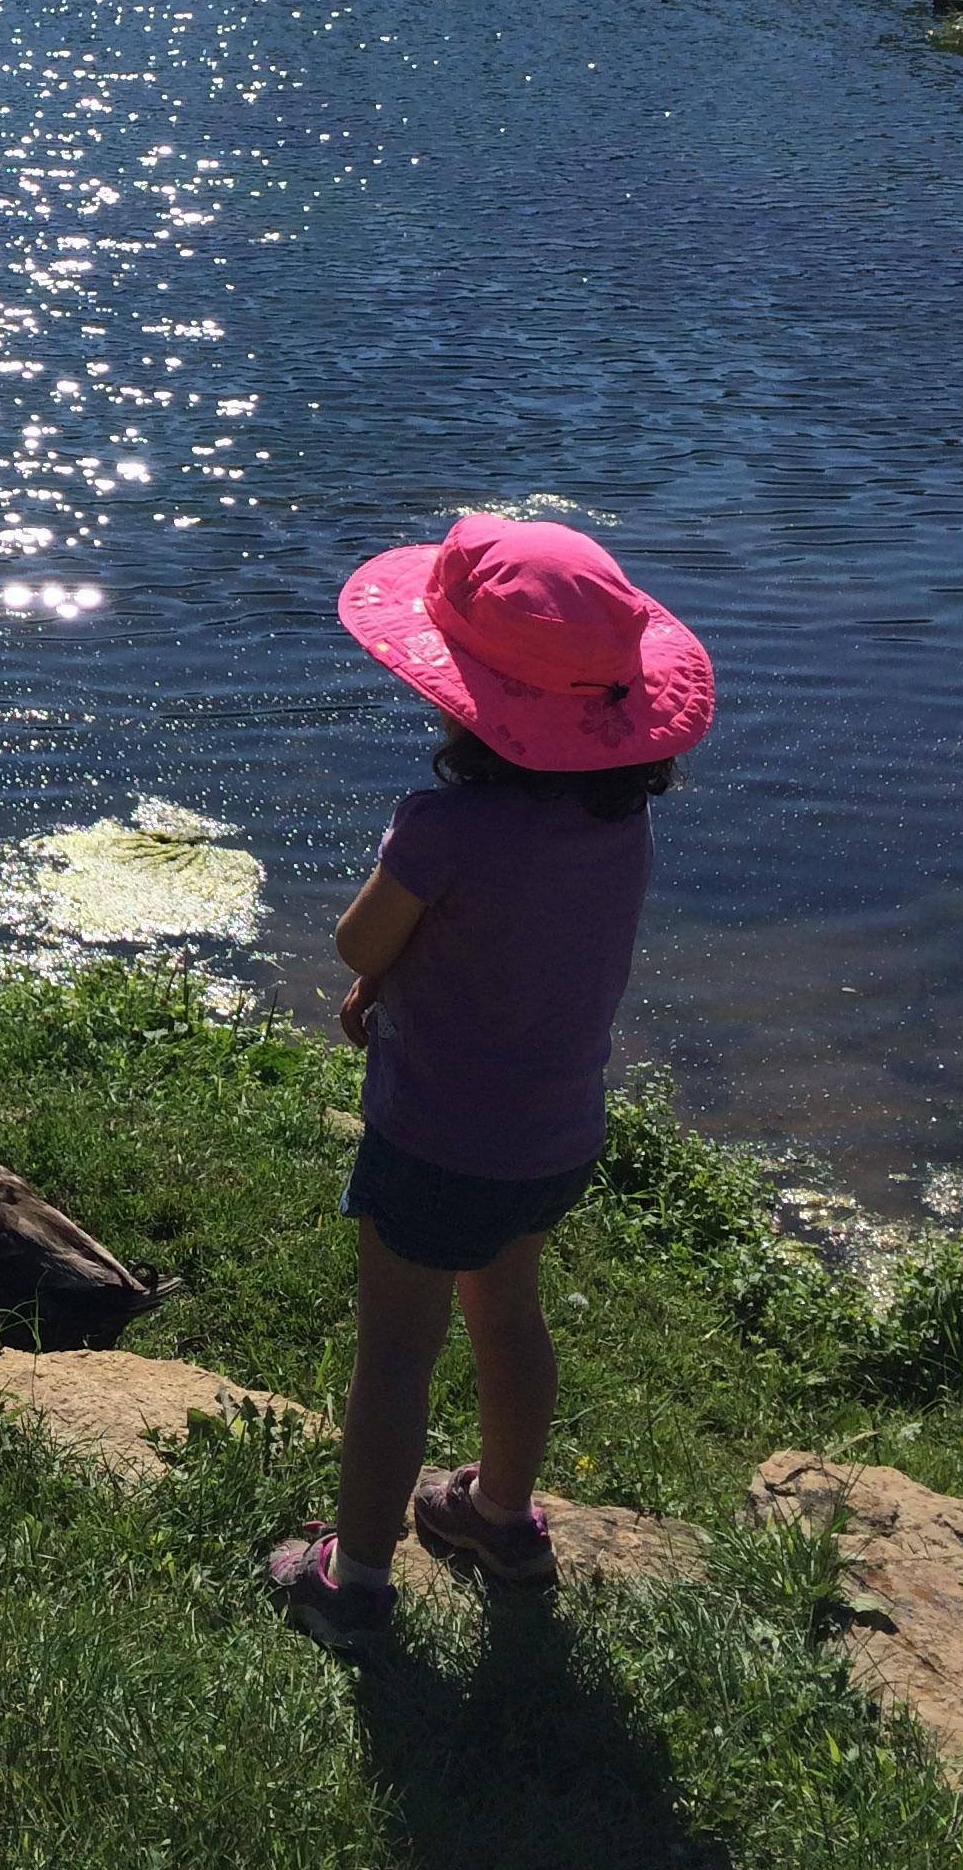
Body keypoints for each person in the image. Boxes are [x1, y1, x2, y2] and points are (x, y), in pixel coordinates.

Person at [269, 510, 715, 1647]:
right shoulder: (623, 831)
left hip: (433, 1141)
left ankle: (354, 1582)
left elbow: (364, 947)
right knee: (509, 1318)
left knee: (397, 1347)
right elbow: (518, 953)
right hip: (555, 1135)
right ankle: (499, 1518)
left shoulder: (442, 825)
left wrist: (383, 959)